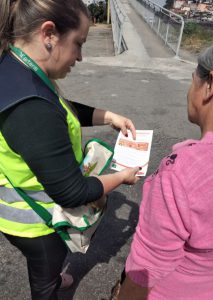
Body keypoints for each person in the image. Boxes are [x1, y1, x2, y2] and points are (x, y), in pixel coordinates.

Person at [0, 1, 140, 299]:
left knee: (44, 267)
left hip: (23, 206)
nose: (80, 56)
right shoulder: (30, 104)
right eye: (78, 43)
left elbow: (59, 110)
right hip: (36, 224)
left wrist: (107, 116)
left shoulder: (16, 68)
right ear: (48, 33)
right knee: (44, 280)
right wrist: (122, 176)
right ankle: (48, 280)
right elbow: (72, 192)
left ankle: (48, 272)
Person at [117, 40, 213, 300]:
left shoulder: (180, 175)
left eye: (192, 81)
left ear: (210, 83)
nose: (189, 91)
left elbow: (146, 271)